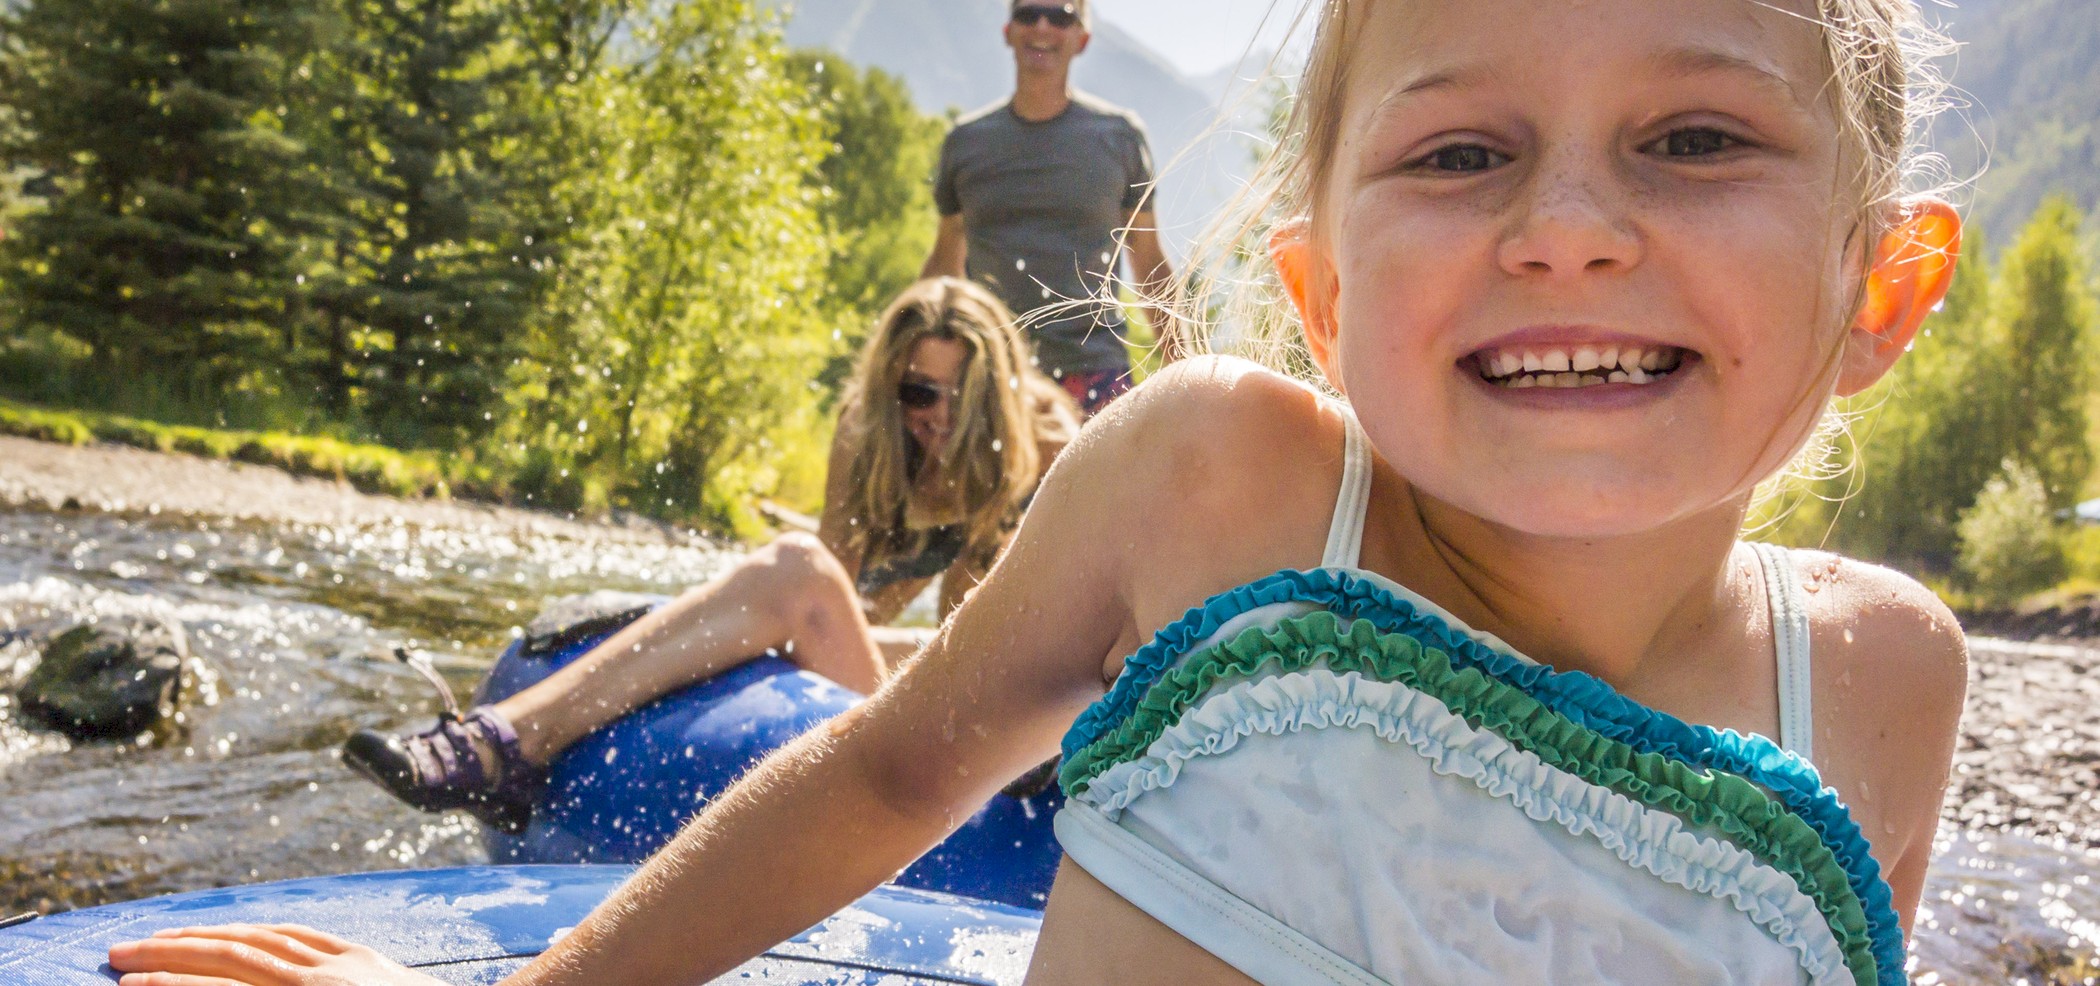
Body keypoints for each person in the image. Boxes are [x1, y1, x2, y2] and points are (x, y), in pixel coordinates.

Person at [110, 0, 1972, 983]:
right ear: (1322, 300)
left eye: (1699, 138)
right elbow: (892, 767)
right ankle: (514, 730)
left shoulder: (1884, 682)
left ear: (1881, 289)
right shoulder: (1218, 480)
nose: (1568, 228)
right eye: (1463, 150)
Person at [336, 277, 1079, 833]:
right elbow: (847, 603)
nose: (940, 417)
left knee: (793, 573)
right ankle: (510, 737)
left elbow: (991, 635)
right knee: (798, 581)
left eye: (963, 396)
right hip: (936, 696)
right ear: (892, 387)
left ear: (999, 390)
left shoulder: (1051, 450)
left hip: (994, 727)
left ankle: (502, 746)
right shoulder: (868, 435)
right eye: (920, 392)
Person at [922, 0, 1180, 416]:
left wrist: (1187, 369)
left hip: (1096, 376)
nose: (1043, 25)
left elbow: (1148, 263)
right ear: (1008, 31)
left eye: (1060, 15)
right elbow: (943, 268)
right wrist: (906, 365)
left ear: (1082, 38)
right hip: (990, 378)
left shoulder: (1119, 138)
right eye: (1028, 13)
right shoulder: (966, 143)